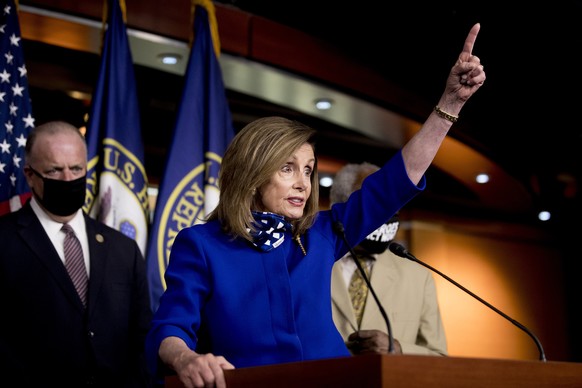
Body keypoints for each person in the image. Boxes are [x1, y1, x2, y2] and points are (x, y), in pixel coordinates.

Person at [145, 23, 485, 387]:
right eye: (287, 168)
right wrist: (187, 358)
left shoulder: (323, 233)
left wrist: (449, 106)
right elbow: (170, 327)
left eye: (308, 170)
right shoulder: (201, 244)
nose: (302, 183)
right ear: (253, 174)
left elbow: (395, 183)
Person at [0, 121, 153, 387]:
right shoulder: (4, 241)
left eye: (76, 169)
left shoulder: (123, 250)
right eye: (55, 170)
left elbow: (141, 339)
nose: (68, 179)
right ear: (30, 175)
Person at [330, 162, 447, 356]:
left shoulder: (418, 277)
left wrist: (399, 349)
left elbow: (438, 356)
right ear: (340, 207)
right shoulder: (306, 263)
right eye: (374, 202)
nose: (385, 212)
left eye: (390, 203)